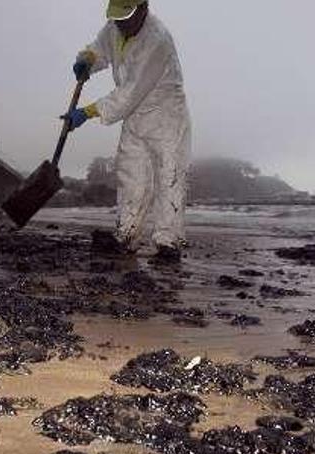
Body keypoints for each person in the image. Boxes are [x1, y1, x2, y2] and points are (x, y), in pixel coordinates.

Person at [66, 0, 192, 261]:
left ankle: (168, 243)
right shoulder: (116, 26)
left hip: (165, 116)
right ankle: (126, 235)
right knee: (130, 175)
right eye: (117, 18)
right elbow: (100, 48)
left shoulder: (157, 40)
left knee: (169, 177)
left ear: (143, 8)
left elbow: (129, 93)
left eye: (126, 18)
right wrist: (87, 59)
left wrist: (87, 112)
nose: (121, 24)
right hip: (134, 117)